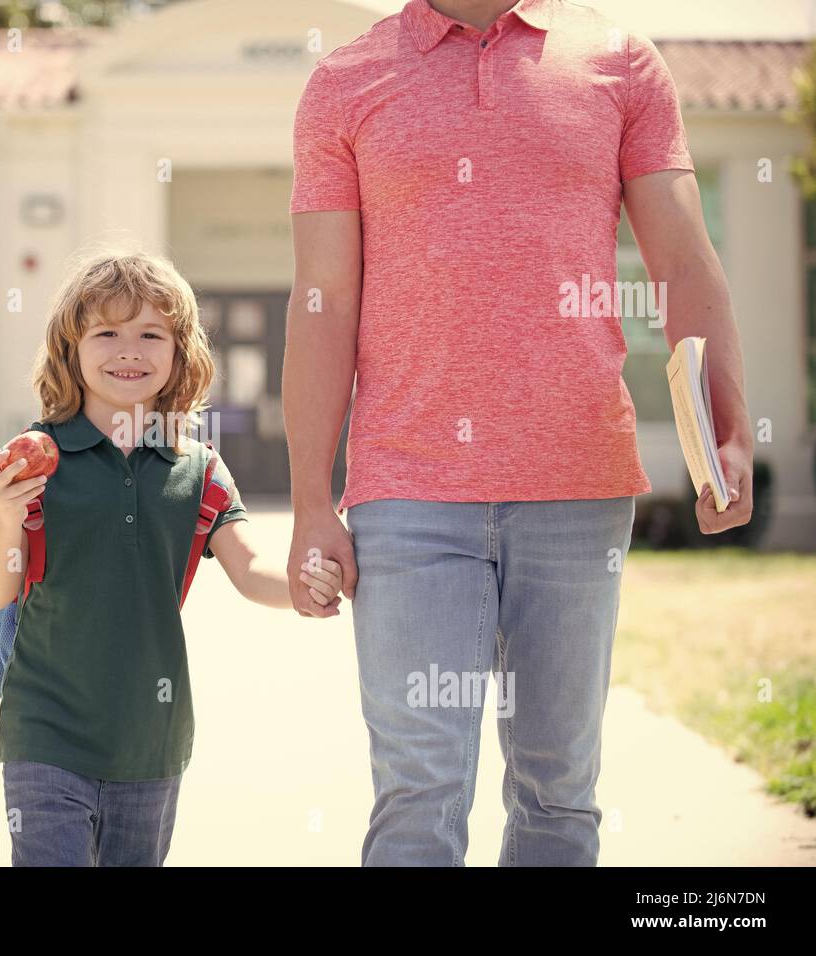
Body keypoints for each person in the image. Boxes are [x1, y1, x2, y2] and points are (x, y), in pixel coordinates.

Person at [284, 0, 754, 865]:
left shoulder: (619, 63)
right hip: (408, 489)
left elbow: (683, 260)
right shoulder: (346, 80)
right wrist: (312, 500)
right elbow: (324, 298)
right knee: (419, 788)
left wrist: (727, 429)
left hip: (578, 485)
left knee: (557, 790)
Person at [0, 250, 345, 866]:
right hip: (44, 732)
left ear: (181, 354)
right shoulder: (35, 461)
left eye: (151, 334)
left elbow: (251, 569)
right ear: (71, 350)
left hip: (153, 741)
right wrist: (8, 515)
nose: (129, 350)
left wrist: (304, 587)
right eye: (107, 333)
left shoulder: (198, 469)